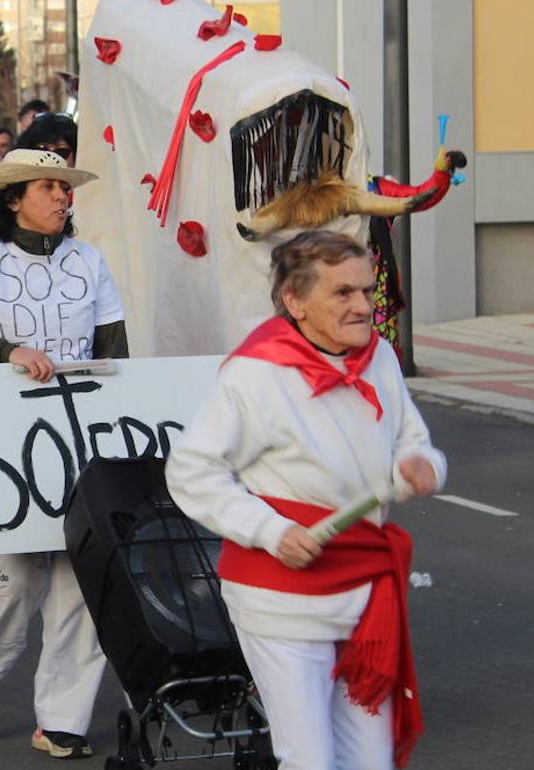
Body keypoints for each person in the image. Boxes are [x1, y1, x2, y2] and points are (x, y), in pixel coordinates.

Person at [165, 230, 445, 770]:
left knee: (371, 760)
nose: (363, 306)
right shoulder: (255, 374)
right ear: (295, 301)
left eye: (367, 291)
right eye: (343, 293)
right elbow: (191, 471)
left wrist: (423, 466)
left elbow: (414, 440)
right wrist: (269, 530)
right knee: (309, 760)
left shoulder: (381, 357)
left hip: (365, 588)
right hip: (282, 598)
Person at [0, 149, 129, 759]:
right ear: (13, 198)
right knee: (11, 581)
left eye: (66, 188)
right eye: (49, 187)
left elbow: (118, 354)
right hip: (4, 444)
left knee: (82, 583)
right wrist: (6, 352)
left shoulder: (91, 263)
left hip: (81, 442)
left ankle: (63, 720)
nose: (64, 197)